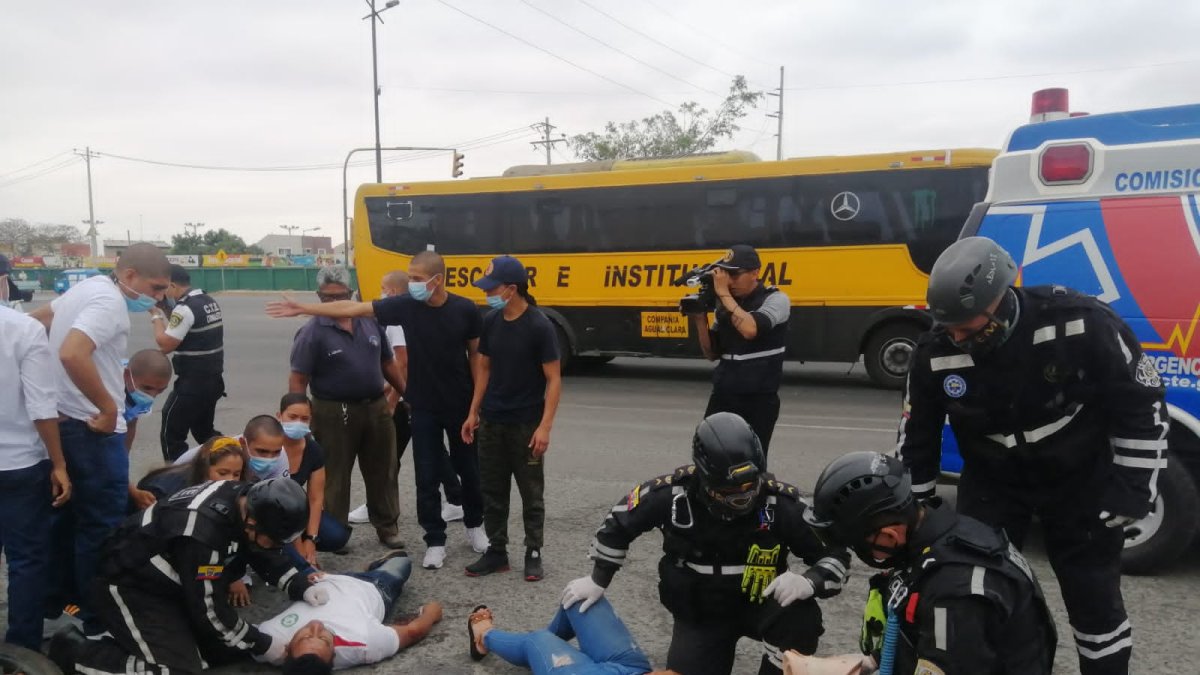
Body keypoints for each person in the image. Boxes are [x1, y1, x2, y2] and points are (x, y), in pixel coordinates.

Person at [897, 236, 1167, 675]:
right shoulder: (936, 351)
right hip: (993, 485)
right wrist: (918, 510)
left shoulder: (1081, 323)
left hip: (1080, 482)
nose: (958, 338)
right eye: (950, 329)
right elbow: (917, 438)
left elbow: (1142, 409)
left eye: (969, 327)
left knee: (1093, 601)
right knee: (975, 593)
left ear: (1002, 300)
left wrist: (1132, 494)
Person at [561, 413, 848, 675]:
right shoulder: (672, 495)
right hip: (702, 614)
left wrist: (810, 581)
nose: (744, 497)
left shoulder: (780, 502)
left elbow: (836, 553)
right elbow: (618, 524)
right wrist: (598, 579)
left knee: (800, 616)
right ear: (704, 477)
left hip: (761, 604)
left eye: (750, 486)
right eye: (731, 492)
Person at [268, 250, 488, 570]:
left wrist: (475, 407)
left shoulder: (465, 310)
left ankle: (475, 528)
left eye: (415, 278)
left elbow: (478, 360)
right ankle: (435, 541)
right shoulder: (406, 307)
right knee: (426, 476)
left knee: (469, 470)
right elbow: (353, 307)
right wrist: (304, 308)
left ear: (436, 279)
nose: (410, 283)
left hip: (460, 405)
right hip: (423, 405)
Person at [805, 451, 1057, 674]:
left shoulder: (953, 590)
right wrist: (873, 661)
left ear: (891, 534)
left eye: (858, 544)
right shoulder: (937, 535)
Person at [28, 242, 171, 633]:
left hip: (63, 424)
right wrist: (108, 408)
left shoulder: (89, 287)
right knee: (100, 529)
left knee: (64, 520)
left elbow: (35, 321)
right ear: (129, 276)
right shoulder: (109, 304)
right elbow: (74, 353)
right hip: (91, 429)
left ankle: (58, 603)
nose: (158, 298)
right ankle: (96, 619)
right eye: (156, 288)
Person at [48, 478, 322, 675]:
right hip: (127, 583)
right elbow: (209, 612)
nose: (274, 546)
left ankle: (136, 639)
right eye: (272, 539)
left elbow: (259, 548)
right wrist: (263, 643)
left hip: (168, 580)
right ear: (252, 522)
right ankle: (76, 653)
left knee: (222, 648)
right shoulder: (202, 535)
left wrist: (298, 585)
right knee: (176, 670)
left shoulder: (244, 497)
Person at [288, 265, 405, 549]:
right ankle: (334, 533)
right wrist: (298, 420)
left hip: (375, 407)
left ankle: (387, 527)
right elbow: (298, 378)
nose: (335, 302)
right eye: (327, 297)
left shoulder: (369, 321)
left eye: (340, 295)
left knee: (384, 469)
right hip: (332, 410)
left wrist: (405, 394)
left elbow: (388, 363)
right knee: (334, 475)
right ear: (319, 297)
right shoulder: (312, 332)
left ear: (351, 294)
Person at [462, 255, 562, 580]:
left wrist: (544, 427)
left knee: (531, 493)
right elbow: (484, 367)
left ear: (512, 289)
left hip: (525, 424)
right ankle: (497, 551)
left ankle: (533, 550)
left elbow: (554, 379)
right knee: (492, 489)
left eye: (493, 288)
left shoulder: (539, 325)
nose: (487, 293)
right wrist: (473, 411)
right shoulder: (491, 321)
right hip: (492, 421)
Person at [348, 270, 465, 526]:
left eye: (383, 288)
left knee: (386, 457)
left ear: (392, 292)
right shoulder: (405, 315)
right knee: (434, 452)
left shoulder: (399, 321)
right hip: (412, 398)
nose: (381, 292)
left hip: (403, 401)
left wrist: (392, 400)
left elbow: (402, 362)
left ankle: (377, 505)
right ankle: (457, 499)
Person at [0, 303, 71, 650]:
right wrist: (58, 463)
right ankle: (22, 650)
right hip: (18, 464)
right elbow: (42, 405)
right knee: (27, 560)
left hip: (17, 465)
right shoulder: (23, 328)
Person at [255, 551, 444, 673]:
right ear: (335, 656)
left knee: (278, 539)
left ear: (286, 650)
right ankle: (374, 566)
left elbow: (229, 633)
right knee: (402, 562)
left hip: (315, 580)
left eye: (303, 637)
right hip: (374, 586)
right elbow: (413, 631)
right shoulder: (364, 644)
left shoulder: (269, 640)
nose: (316, 626)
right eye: (324, 639)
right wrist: (432, 613)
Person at [688, 245, 790, 455]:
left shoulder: (776, 299)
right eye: (725, 274)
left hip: (758, 399)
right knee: (708, 454)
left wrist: (724, 294)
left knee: (752, 460)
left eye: (734, 274)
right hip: (724, 394)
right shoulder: (727, 304)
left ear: (755, 273)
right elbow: (711, 354)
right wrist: (699, 320)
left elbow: (750, 329)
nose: (729, 281)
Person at [467, 599, 678, 675]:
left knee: (538, 639)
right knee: (581, 599)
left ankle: (484, 638)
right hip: (635, 669)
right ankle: (542, 657)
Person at [150, 264, 226, 461]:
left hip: (192, 385)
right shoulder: (206, 300)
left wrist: (155, 315)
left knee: (171, 433)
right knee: (204, 432)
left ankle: (175, 477)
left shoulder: (185, 308)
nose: (161, 294)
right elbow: (184, 328)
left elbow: (166, 344)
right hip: (213, 381)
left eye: (163, 289)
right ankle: (231, 461)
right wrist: (167, 309)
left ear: (172, 285)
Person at [278, 392, 352, 564]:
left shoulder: (313, 450)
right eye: (293, 416)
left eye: (304, 419)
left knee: (336, 537)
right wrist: (298, 544)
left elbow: (315, 498)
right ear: (279, 415)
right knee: (289, 554)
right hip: (266, 510)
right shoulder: (269, 445)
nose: (298, 422)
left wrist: (311, 539)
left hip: (294, 508)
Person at [122, 349, 174, 510]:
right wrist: (132, 491)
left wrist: (124, 460)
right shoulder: (108, 392)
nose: (152, 396)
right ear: (126, 376)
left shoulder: (134, 391)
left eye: (160, 391)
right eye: (147, 388)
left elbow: (130, 423)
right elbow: (104, 457)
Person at [136, 435, 251, 505]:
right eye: (222, 473)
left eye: (236, 474)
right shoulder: (163, 491)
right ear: (205, 466)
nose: (230, 480)